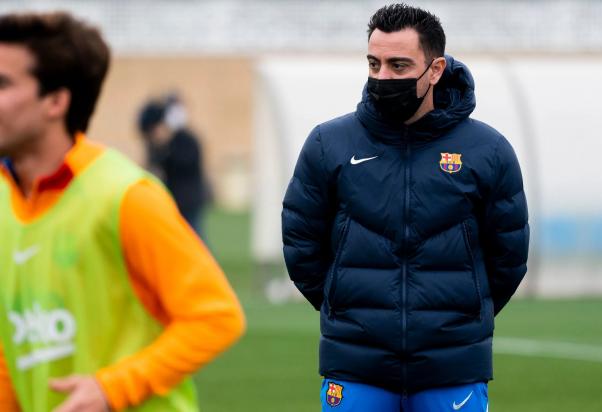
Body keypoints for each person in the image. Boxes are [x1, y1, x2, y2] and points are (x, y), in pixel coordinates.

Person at [282, 4, 529, 411]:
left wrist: (458, 316)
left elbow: (509, 257)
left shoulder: (489, 151)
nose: (382, 77)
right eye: (373, 63)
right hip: (355, 365)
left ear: (435, 70)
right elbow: (300, 242)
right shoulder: (329, 144)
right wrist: (346, 306)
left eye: (399, 66)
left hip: (453, 368)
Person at [0, 11, 245, 412]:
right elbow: (7, 351)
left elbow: (216, 317)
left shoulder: (125, 195)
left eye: (3, 83)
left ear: (56, 102)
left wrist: (112, 389)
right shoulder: (4, 200)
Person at [138, 94, 211, 237]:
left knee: (195, 240)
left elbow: (187, 165)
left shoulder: (185, 140)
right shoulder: (156, 147)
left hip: (189, 203)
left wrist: (166, 150)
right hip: (170, 203)